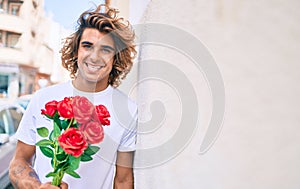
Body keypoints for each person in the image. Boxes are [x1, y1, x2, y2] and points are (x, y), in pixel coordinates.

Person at [9, 4, 137, 189]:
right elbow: (19, 162)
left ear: (115, 57)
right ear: (76, 50)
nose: (95, 57)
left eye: (106, 50)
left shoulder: (128, 109)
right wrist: (36, 186)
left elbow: (123, 180)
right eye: (87, 46)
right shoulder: (43, 98)